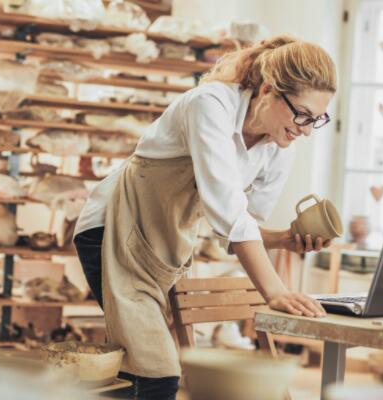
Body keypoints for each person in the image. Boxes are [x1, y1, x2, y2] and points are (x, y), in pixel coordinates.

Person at [73, 34, 337, 399]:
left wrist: (284, 239)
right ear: (269, 89)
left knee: (142, 369)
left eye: (317, 119)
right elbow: (229, 213)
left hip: (161, 250)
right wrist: (274, 291)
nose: (306, 129)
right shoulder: (210, 104)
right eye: (302, 114)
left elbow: (242, 224)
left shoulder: (279, 147)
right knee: (154, 372)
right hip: (112, 232)